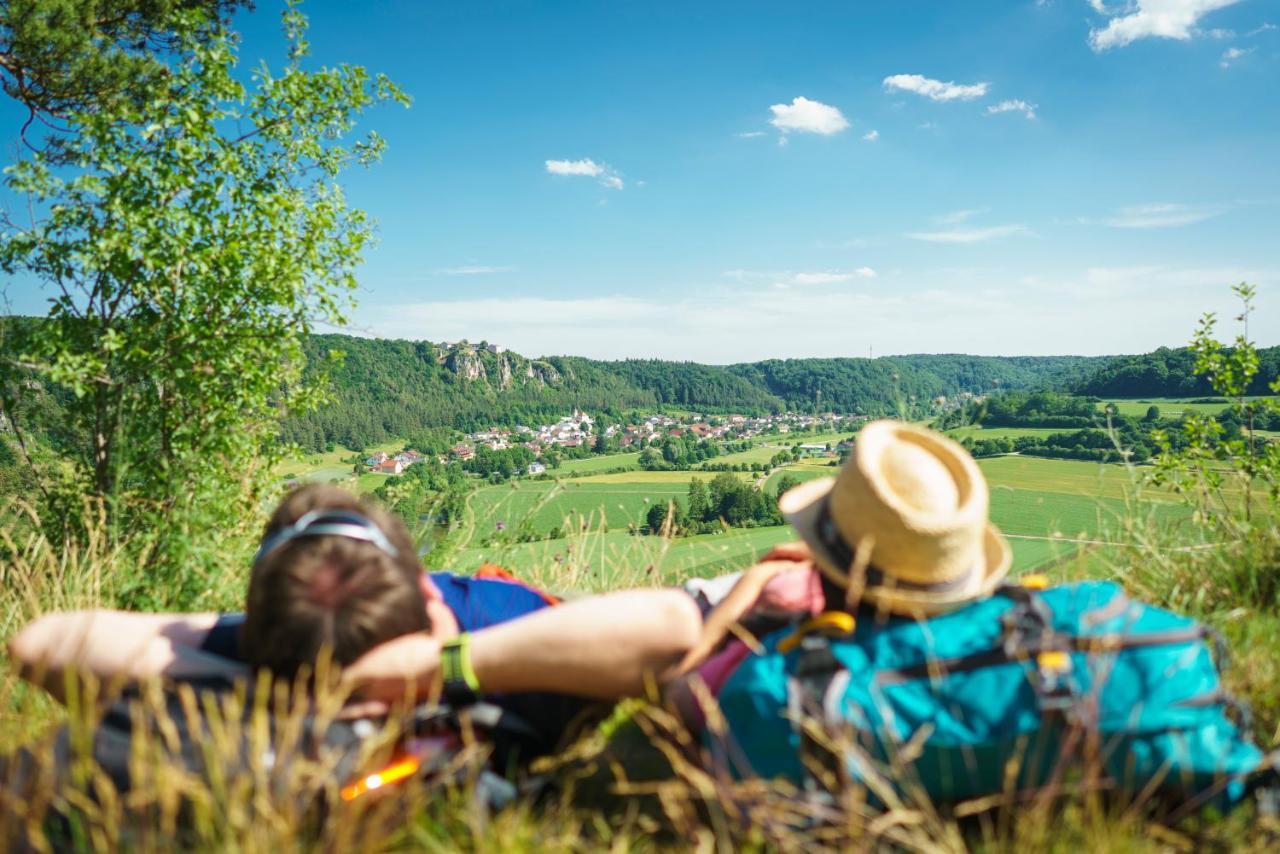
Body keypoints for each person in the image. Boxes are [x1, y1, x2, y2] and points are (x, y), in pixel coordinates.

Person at [8, 483, 712, 761]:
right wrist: (449, 658)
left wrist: (264, 665)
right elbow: (677, 626)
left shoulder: (274, 657)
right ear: (423, 591)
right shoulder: (497, 622)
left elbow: (41, 644)